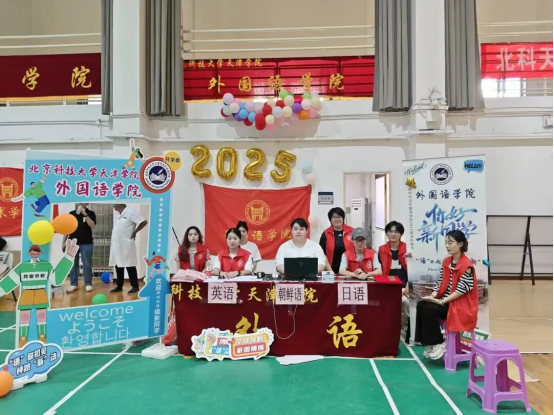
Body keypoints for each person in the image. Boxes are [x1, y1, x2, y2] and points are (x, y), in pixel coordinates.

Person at [0, 240, 78, 347]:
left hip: (41, 292)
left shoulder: (46, 265)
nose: (34, 253)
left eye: (36, 252)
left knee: (42, 317)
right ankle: (23, 339)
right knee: (24, 317)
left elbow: (57, 279)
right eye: (32, 252)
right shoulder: (22, 266)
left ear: (40, 253)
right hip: (26, 293)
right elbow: (10, 282)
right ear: (29, 253)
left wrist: (68, 257)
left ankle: (42, 338)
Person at [415, 231, 478, 361]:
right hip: (447, 302)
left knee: (429, 309)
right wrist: (433, 296)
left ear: (460, 244)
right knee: (421, 304)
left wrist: (442, 301)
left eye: (450, 243)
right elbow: (440, 282)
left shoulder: (467, 266)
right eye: (446, 243)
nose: (447, 246)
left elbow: (461, 290)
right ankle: (430, 343)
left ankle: (439, 342)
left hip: (460, 305)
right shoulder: (446, 262)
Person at [379, 221, 412, 334]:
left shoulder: (407, 249)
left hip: (404, 287)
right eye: (390, 231)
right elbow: (379, 271)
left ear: (401, 234)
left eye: (396, 232)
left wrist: (408, 286)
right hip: (387, 287)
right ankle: (388, 326)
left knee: (406, 302)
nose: (393, 234)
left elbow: (413, 271)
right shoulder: (381, 250)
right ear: (386, 233)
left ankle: (404, 326)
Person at [109, 204, 148, 294]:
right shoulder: (119, 215)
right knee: (118, 265)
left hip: (126, 244)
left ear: (120, 204)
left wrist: (135, 232)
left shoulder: (130, 212)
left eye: (114, 204)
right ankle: (119, 286)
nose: (113, 205)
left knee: (130, 265)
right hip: (117, 245)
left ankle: (135, 286)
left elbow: (143, 222)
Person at [65, 203, 97, 293]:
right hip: (72, 242)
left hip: (86, 242)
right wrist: (64, 242)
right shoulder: (71, 213)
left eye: (85, 201)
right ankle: (73, 284)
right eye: (80, 201)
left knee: (87, 264)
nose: (82, 203)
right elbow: (67, 228)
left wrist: (85, 214)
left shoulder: (91, 213)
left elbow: (92, 226)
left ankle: (88, 283)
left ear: (87, 203)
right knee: (72, 264)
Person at [319, 208, 354, 275]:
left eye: (339, 217)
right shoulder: (326, 233)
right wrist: (330, 271)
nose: (337, 219)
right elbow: (321, 254)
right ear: (330, 219)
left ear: (343, 218)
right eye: (334, 217)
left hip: (350, 271)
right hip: (331, 270)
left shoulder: (351, 231)